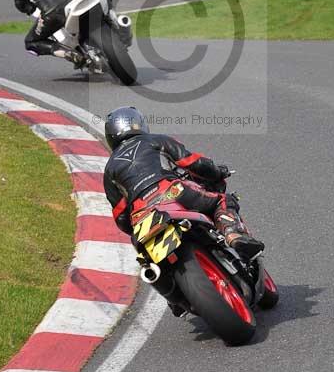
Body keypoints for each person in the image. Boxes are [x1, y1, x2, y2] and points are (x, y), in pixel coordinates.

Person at [103, 107, 264, 261]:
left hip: (142, 214)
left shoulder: (109, 169)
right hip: (172, 192)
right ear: (139, 123)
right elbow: (194, 163)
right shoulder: (156, 140)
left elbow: (121, 216)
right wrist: (218, 171)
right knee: (222, 200)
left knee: (144, 258)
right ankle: (234, 236)